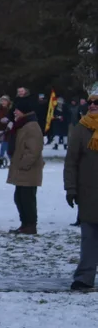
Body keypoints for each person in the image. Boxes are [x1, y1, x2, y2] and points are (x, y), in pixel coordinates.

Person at [66, 91, 98, 291]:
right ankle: (85, 277)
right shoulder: (81, 129)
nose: (93, 105)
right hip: (90, 193)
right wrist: (71, 188)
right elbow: (71, 162)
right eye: (90, 103)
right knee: (89, 238)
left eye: (97, 103)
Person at [7, 93, 44, 235]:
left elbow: (34, 150)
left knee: (27, 198)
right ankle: (25, 224)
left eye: (17, 109)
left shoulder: (31, 126)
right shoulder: (22, 125)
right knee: (20, 197)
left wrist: (24, 164)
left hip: (28, 170)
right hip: (22, 169)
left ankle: (30, 225)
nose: (15, 112)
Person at [0, 95, 12, 165]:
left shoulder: (11, 109)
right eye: (2, 101)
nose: (3, 102)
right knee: (5, 142)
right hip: (1, 128)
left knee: (6, 143)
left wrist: (9, 121)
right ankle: (3, 158)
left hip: (9, 128)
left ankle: (2, 158)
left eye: (5, 101)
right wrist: (1, 120)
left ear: (8, 102)